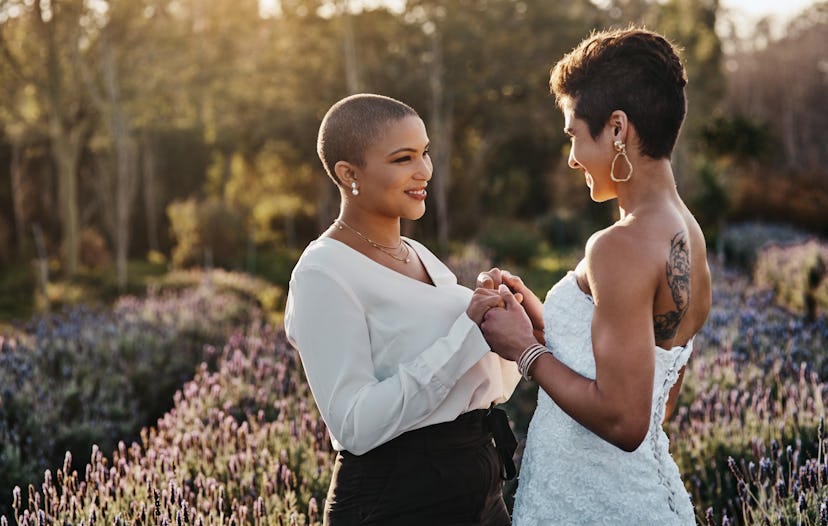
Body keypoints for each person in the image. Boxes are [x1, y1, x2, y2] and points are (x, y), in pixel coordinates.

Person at [475, 28, 711, 525]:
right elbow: (651, 400)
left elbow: (626, 422)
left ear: (618, 128)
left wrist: (526, 351)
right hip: (633, 496)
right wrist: (546, 327)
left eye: (574, 135)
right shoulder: (686, 233)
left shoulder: (618, 246)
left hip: (594, 507)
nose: (571, 157)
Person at [284, 93, 521, 526]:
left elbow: (476, 383)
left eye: (425, 153)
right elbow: (355, 424)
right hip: (398, 500)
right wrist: (466, 335)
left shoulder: (418, 253)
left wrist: (508, 323)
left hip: (478, 488)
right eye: (403, 158)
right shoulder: (323, 272)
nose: (424, 170)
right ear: (349, 173)